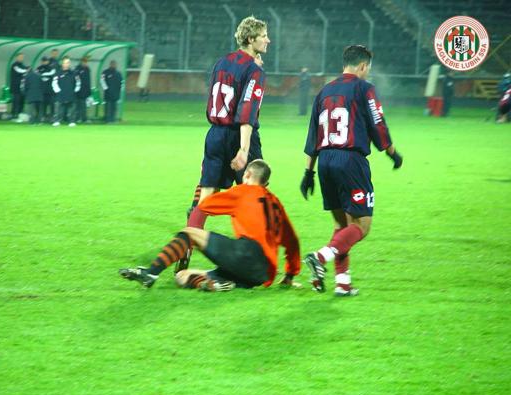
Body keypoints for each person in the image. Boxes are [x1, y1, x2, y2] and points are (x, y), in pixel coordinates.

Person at [300, 45, 403, 296]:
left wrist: (308, 174)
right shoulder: (364, 88)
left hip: (325, 161)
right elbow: (378, 123)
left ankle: (342, 283)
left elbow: (313, 136)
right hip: (350, 161)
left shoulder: (324, 91)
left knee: (342, 224)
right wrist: (392, 153)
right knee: (361, 225)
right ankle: (320, 257)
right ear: (363, 66)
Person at [177, 15, 270, 272]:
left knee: (206, 198)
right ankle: (257, 260)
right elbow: (247, 111)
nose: (268, 40)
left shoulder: (221, 62)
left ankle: (184, 249)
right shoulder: (255, 70)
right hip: (238, 135)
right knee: (256, 197)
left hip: (215, 134)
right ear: (251, 39)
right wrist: (243, 149)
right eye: (263, 36)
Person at [119, 160, 300, 291]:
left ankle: (151, 273)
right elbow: (292, 241)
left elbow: (204, 205)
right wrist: (289, 276)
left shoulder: (243, 191)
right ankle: (213, 284)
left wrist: (204, 181)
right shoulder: (277, 204)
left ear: (247, 175)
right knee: (181, 277)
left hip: (247, 254)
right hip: (261, 274)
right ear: (266, 184)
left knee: (189, 233)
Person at [52, 57, 80, 127]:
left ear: (69, 64)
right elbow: (54, 83)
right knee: (58, 109)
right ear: (62, 64)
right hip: (60, 95)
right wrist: (58, 91)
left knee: (72, 109)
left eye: (68, 63)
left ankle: (72, 121)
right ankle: (57, 121)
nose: (66, 64)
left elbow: (78, 83)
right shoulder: (58, 73)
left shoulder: (74, 73)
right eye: (65, 63)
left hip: (71, 94)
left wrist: (75, 90)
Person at [10, 53, 28, 119]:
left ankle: (20, 114)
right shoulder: (14, 65)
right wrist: (27, 70)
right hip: (15, 87)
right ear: (17, 57)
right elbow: (19, 71)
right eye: (20, 57)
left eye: (22, 57)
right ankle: (14, 115)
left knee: (21, 101)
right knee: (16, 101)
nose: (21, 58)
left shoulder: (23, 66)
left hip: (22, 88)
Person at [37, 56, 55, 122]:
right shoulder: (39, 68)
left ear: (48, 61)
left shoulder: (51, 68)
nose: (45, 62)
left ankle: (52, 117)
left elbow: (52, 73)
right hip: (42, 91)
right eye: (43, 61)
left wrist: (42, 74)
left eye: (46, 61)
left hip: (50, 90)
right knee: (42, 105)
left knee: (52, 105)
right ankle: (43, 117)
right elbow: (37, 75)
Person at [74, 57, 92, 123]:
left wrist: (89, 91)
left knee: (84, 105)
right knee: (78, 105)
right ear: (81, 62)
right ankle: (78, 118)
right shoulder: (77, 69)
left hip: (85, 91)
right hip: (78, 90)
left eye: (86, 62)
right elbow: (75, 79)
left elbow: (88, 80)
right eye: (84, 62)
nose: (85, 63)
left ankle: (84, 118)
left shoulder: (87, 69)